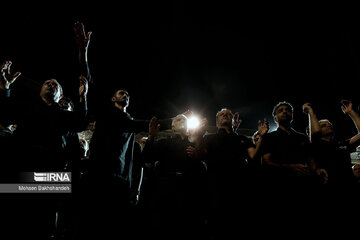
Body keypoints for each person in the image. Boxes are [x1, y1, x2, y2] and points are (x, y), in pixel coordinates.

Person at [200, 108, 268, 239]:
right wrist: (198, 134)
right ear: (217, 120)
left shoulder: (242, 139)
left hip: (238, 189)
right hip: (214, 188)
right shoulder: (208, 138)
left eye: (228, 115)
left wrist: (262, 137)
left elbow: (253, 155)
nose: (225, 115)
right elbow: (200, 155)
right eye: (222, 114)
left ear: (232, 120)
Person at [141, 113, 208, 240]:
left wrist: (197, 153)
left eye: (185, 120)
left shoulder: (196, 144)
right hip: (165, 190)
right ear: (172, 127)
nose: (182, 120)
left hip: (188, 191)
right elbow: (146, 158)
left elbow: (205, 165)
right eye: (178, 119)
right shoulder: (163, 143)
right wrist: (151, 136)